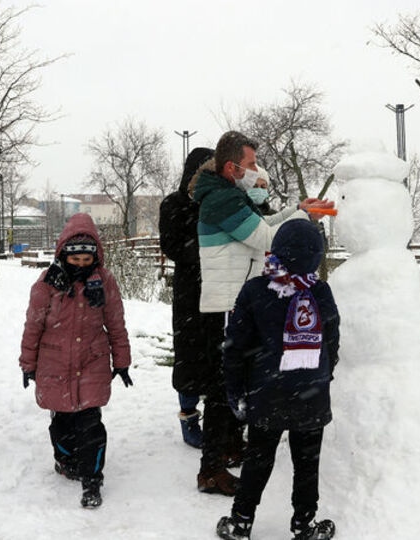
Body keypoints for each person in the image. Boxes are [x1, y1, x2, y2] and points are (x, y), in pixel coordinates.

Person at [191, 131, 332, 495]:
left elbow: (266, 225)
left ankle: (227, 448)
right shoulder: (221, 200)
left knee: (233, 382)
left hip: (236, 299)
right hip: (226, 303)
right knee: (223, 390)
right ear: (230, 166)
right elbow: (268, 240)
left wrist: (298, 209)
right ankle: (211, 468)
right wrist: (302, 216)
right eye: (251, 164)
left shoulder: (230, 194)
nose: (256, 170)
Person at [216, 220, 340, 540]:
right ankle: (304, 525)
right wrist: (323, 374)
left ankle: (241, 521)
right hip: (311, 396)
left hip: (266, 393)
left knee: (258, 459)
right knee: (306, 465)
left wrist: (236, 389)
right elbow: (332, 341)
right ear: (316, 256)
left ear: (277, 251)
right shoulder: (320, 291)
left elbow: (235, 346)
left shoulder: (256, 291)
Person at [18, 213, 132, 509]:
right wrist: (28, 364)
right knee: (62, 423)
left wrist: (121, 361)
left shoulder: (104, 281)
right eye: (75, 260)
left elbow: (116, 324)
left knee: (90, 424)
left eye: (86, 260)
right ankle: (66, 459)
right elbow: (33, 326)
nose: (81, 265)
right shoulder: (47, 284)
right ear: (63, 255)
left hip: (92, 360)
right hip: (54, 365)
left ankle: (92, 477)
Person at [159, 147, 215, 449]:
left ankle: (221, 413)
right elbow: (171, 244)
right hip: (189, 290)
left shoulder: (220, 200)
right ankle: (189, 416)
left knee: (218, 351)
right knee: (189, 353)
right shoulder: (174, 203)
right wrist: (207, 250)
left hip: (221, 286)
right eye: (203, 171)